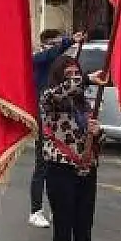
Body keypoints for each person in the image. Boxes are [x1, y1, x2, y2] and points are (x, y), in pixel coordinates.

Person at [39, 55, 106, 241]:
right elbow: (60, 92)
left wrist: (97, 132)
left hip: (86, 172)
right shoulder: (50, 99)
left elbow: (96, 139)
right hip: (61, 171)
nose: (74, 79)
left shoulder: (83, 104)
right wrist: (87, 78)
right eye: (68, 74)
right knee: (63, 235)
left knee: (84, 234)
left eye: (76, 73)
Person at [29, 28, 86, 228]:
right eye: (54, 43)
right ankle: (35, 211)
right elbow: (51, 54)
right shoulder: (38, 58)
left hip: (62, 120)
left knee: (60, 166)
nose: (57, 47)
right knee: (42, 165)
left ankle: (57, 206)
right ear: (45, 44)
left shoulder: (58, 63)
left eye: (59, 43)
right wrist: (70, 40)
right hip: (44, 116)